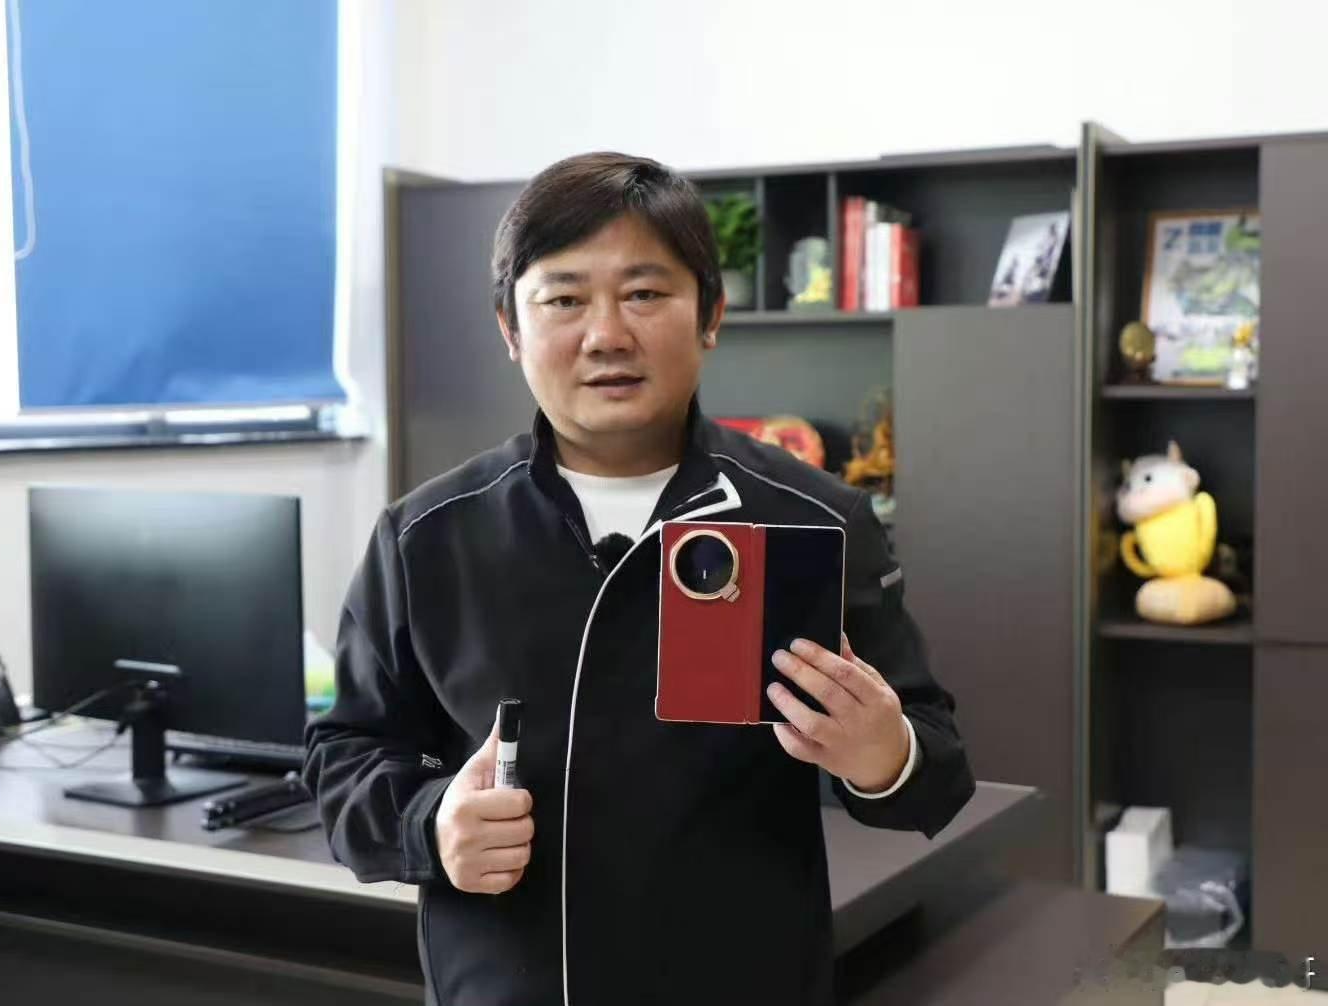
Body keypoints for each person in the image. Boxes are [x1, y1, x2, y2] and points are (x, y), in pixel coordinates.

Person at [303, 152, 975, 1006]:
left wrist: (883, 754)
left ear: (711, 315)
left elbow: (939, 770)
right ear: (511, 329)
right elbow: (342, 756)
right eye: (564, 299)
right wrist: (430, 825)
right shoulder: (427, 536)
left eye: (645, 293)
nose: (607, 335)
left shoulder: (813, 518)